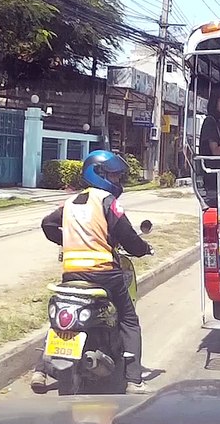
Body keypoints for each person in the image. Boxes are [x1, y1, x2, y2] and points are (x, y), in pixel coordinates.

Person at [30, 150, 154, 394]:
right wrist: (143, 249)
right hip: (104, 275)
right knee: (129, 319)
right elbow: (128, 236)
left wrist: (67, 241)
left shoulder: (69, 204)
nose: (118, 182)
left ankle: (40, 370)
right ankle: (134, 379)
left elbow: (47, 224)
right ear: (100, 175)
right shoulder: (107, 202)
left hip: (71, 275)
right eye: (115, 176)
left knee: (63, 320)